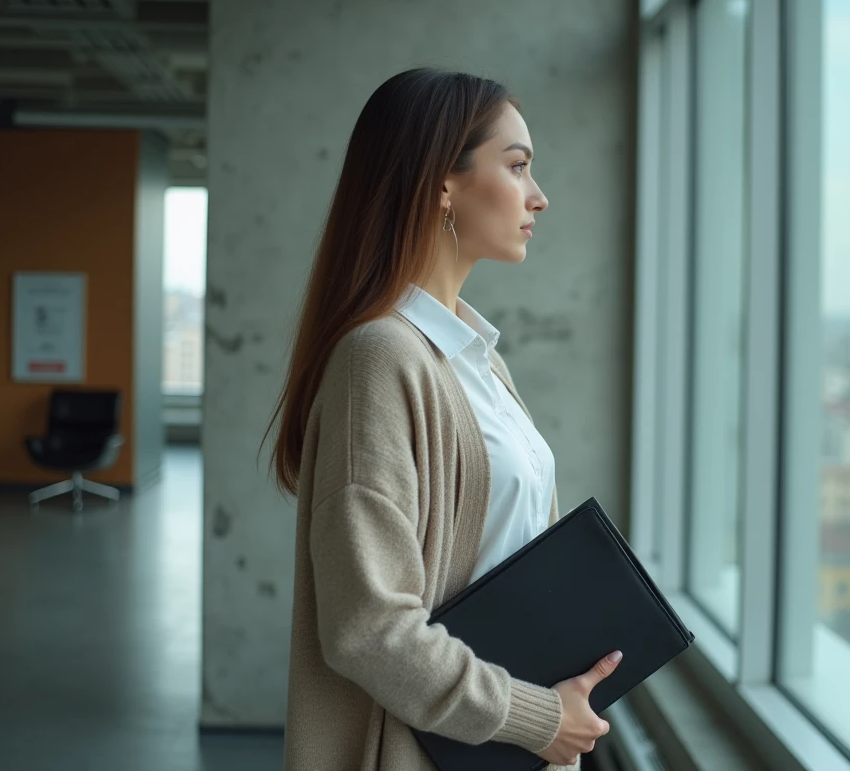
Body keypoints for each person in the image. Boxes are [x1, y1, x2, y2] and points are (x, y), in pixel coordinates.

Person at [265, 68, 620, 770]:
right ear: (442, 183)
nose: (539, 197)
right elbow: (368, 627)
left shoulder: (479, 361)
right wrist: (537, 717)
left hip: (505, 748)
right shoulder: (381, 358)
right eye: (516, 167)